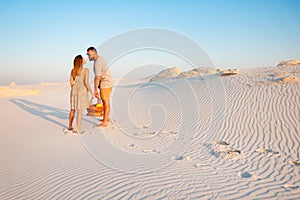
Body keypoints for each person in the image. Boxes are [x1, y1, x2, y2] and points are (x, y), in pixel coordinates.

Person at [87, 47, 113, 127]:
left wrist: (95, 90)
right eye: (87, 55)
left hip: (105, 84)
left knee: (105, 102)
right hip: (106, 83)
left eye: (89, 54)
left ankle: (105, 122)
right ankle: (106, 118)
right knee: (106, 102)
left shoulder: (98, 62)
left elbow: (97, 77)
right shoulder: (100, 59)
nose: (88, 56)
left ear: (95, 52)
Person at [68, 55, 93, 133]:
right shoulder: (86, 70)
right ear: (81, 61)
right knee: (79, 111)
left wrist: (75, 88)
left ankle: (70, 126)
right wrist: (91, 92)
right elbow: (86, 82)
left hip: (74, 90)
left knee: (72, 109)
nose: (84, 59)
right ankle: (78, 130)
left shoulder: (73, 70)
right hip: (82, 90)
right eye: (83, 58)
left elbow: (71, 83)